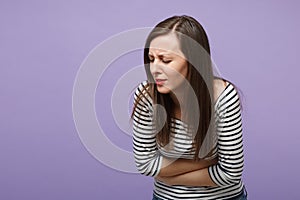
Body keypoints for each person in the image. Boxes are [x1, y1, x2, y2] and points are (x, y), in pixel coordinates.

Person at [132, 15, 247, 200]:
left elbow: (230, 173)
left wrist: (168, 176)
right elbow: (146, 165)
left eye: (165, 60)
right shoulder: (147, 96)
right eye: (151, 59)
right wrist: (205, 162)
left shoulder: (224, 97)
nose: (154, 69)